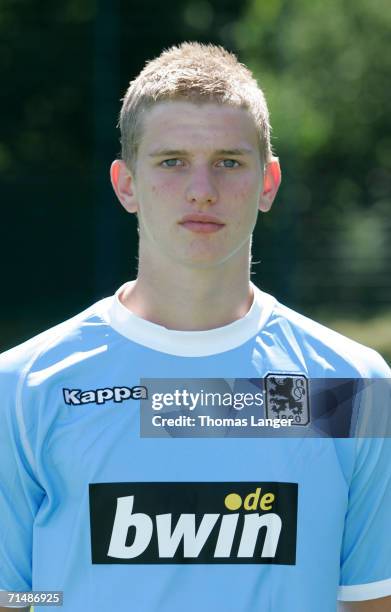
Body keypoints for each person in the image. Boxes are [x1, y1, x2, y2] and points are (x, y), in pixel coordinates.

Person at [0, 42, 390, 612]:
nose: (201, 188)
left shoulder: (351, 385)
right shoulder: (24, 386)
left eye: (229, 161)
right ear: (126, 183)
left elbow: (368, 599)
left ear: (268, 182)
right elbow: (19, 596)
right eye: (172, 161)